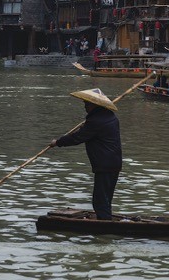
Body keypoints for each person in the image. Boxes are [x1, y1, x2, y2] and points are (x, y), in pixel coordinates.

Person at [50, 88, 122, 221]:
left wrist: (58, 142)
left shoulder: (96, 122)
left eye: (87, 104)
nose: (85, 106)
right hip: (114, 162)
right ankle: (105, 218)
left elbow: (77, 138)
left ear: (95, 105)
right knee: (105, 197)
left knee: (100, 200)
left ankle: (105, 224)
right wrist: (87, 124)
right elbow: (88, 131)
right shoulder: (110, 117)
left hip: (105, 164)